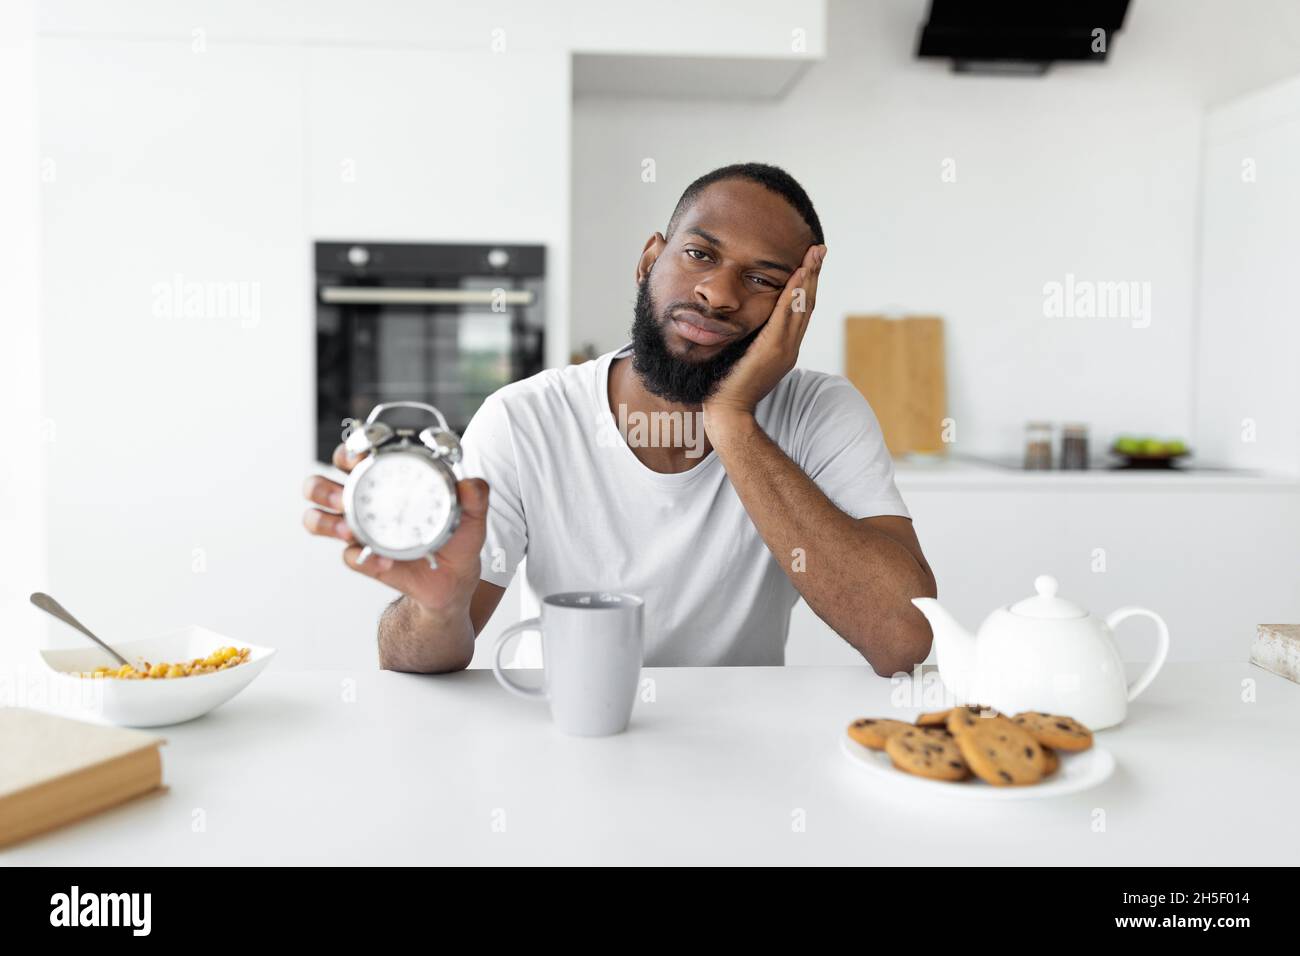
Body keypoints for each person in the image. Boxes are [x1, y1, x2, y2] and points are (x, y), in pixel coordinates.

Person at [303, 162, 936, 674]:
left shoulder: (820, 413)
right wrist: (439, 610)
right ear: (648, 261)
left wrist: (734, 420)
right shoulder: (524, 420)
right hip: (559, 733)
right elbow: (411, 659)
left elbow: (903, 639)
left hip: (738, 753)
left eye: (763, 280)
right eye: (699, 254)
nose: (718, 293)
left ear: (794, 308)